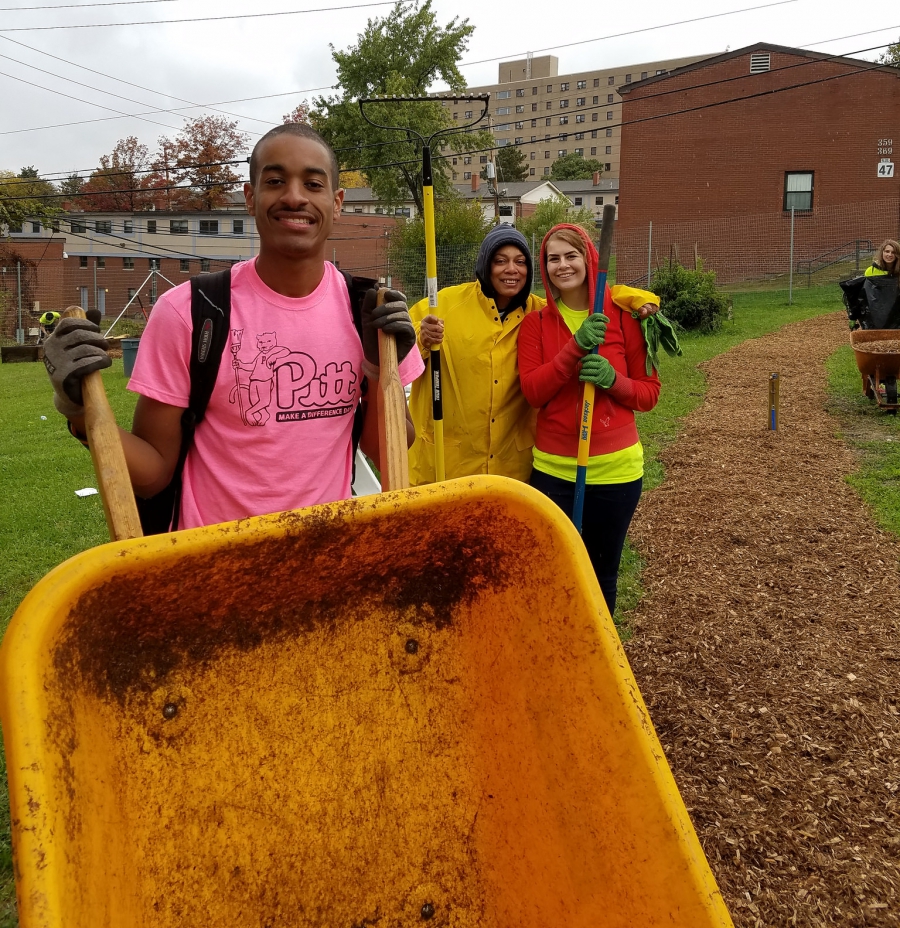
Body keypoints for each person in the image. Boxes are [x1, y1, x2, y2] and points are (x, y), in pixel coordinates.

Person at [42, 123, 424, 529]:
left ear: (337, 202)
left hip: (323, 567)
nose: (294, 197)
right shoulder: (189, 311)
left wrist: (381, 369)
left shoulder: (370, 311)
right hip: (210, 572)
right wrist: (79, 410)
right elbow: (154, 473)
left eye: (313, 184)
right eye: (275, 180)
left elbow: (388, 453)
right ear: (250, 196)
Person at [518, 224, 661, 614]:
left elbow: (649, 393)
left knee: (602, 575)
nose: (562, 265)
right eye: (553, 258)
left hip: (616, 475)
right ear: (544, 268)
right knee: (555, 572)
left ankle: (600, 659)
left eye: (571, 255)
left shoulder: (623, 316)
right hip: (554, 473)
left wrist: (614, 381)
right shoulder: (537, 324)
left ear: (589, 260)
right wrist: (574, 349)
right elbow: (533, 391)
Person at [407, 226, 546, 485]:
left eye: (520, 261)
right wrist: (422, 339)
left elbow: (591, 305)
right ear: (485, 264)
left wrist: (634, 298)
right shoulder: (441, 306)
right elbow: (395, 357)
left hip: (511, 470)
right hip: (444, 466)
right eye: (500, 261)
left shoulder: (540, 314)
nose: (511, 270)